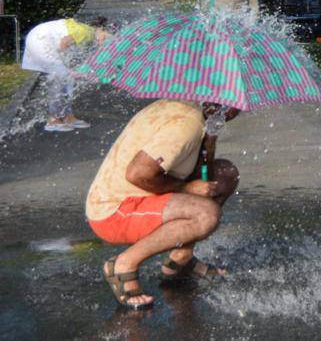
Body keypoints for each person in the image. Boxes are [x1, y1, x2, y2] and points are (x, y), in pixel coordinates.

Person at [86, 99, 241, 310]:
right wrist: (187, 189)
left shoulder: (191, 112)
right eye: (235, 105)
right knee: (206, 215)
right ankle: (123, 264)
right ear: (217, 101)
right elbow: (138, 174)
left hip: (141, 198)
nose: (238, 111)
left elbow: (202, 180)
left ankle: (181, 260)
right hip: (114, 211)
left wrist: (209, 142)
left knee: (225, 175)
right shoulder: (187, 121)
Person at [22, 17, 109, 131]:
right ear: (101, 29)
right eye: (106, 36)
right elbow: (64, 42)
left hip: (39, 38)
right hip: (40, 41)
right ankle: (53, 120)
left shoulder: (86, 33)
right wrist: (67, 66)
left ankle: (67, 116)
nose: (106, 41)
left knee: (66, 79)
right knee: (61, 77)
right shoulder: (87, 32)